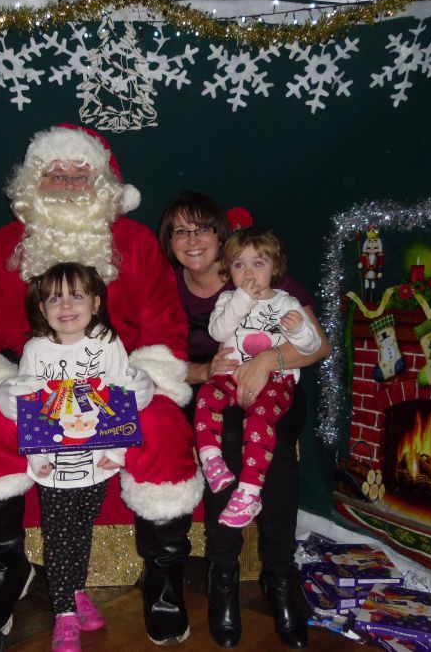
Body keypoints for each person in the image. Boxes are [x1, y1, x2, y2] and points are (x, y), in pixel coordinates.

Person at [0, 125, 203, 645]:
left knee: (163, 429)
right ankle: (4, 568)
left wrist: (148, 379)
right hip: (31, 383)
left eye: (78, 175)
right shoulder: (3, 248)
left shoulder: (135, 245)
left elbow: (166, 323)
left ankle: (163, 577)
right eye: (53, 174)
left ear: (103, 184)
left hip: (119, 381)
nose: (66, 184)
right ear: (31, 183)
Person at [158, 191, 330, 650]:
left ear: (221, 235)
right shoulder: (168, 286)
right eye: (180, 230)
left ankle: (279, 574)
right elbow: (148, 358)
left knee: (270, 437)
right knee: (229, 432)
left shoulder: (262, 271)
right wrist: (202, 372)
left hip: (275, 383)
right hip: (207, 386)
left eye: (202, 228)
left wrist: (270, 360)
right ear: (169, 241)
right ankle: (223, 576)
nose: (193, 239)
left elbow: (319, 346)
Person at [0, 262, 132, 651]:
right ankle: (65, 612)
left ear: (96, 303)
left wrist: (116, 449)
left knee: (82, 528)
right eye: (54, 298)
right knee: (58, 535)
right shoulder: (36, 349)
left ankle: (76, 590)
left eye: (77, 296)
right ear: (41, 308)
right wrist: (37, 458)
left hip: (97, 459)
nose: (66, 306)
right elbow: (28, 404)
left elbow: (122, 392)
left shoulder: (108, 342)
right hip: (53, 463)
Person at [196, 228, 321, 529]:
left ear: (274, 267)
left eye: (258, 263)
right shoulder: (229, 299)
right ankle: (211, 459)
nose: (249, 272)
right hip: (232, 374)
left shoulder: (287, 303)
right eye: (239, 265)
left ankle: (250, 493)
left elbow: (314, 346)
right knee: (206, 396)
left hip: (276, 380)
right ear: (229, 270)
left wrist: (298, 330)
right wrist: (242, 300)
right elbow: (218, 332)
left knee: (258, 420)